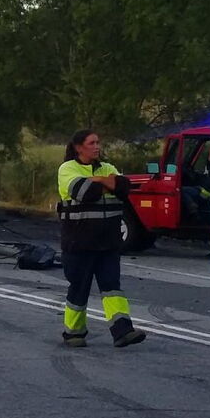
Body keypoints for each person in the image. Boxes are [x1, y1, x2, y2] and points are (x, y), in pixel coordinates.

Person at [58, 130, 146, 348]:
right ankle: (74, 333)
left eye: (98, 142)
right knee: (79, 288)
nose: (97, 146)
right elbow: (85, 192)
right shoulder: (67, 168)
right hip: (79, 243)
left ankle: (122, 331)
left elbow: (125, 187)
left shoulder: (107, 167)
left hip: (108, 242)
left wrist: (100, 179)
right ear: (79, 147)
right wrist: (104, 182)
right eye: (92, 143)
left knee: (112, 288)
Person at [182, 145, 210, 221]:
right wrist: (197, 176)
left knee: (180, 190)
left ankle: (193, 211)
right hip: (203, 189)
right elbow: (207, 178)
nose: (209, 155)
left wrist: (202, 196)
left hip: (205, 194)